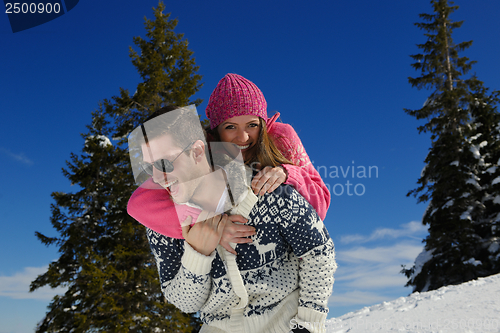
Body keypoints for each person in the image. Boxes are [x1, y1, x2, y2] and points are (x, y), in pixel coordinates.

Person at [129, 106, 336, 333]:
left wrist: (309, 323)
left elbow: (319, 254)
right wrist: (197, 255)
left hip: (285, 324)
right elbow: (184, 303)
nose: (158, 178)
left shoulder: (270, 190)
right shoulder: (163, 225)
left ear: (197, 152)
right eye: (150, 167)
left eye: (165, 164)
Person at [127, 74, 331, 254]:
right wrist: (208, 224)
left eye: (252, 125)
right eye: (230, 127)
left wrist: (289, 174)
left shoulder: (280, 136)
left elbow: (320, 202)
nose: (243, 137)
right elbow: (140, 203)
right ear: (215, 130)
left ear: (263, 123)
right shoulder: (204, 148)